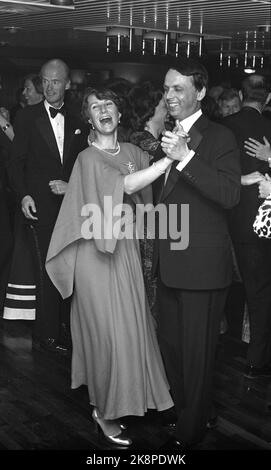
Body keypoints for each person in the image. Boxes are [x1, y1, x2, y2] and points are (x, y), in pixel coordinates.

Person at [45, 87, 174, 447]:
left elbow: (154, 197)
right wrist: (166, 161)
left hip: (125, 251)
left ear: (119, 114)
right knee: (106, 336)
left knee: (132, 328)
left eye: (109, 105)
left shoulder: (133, 152)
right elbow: (124, 185)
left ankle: (132, 398)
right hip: (94, 256)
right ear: (88, 117)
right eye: (94, 106)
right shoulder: (87, 158)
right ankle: (103, 411)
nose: (103, 110)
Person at [152, 59, 240, 448]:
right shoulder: (169, 134)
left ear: (200, 92)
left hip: (203, 268)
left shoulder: (220, 137)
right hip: (170, 265)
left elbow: (228, 195)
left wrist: (187, 158)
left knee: (198, 354)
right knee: (172, 349)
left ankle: (191, 432)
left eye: (178, 89)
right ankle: (193, 410)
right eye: (167, 89)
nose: (170, 96)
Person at [6, 59, 88, 352]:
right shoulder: (27, 117)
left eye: (55, 81)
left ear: (67, 83)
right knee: (45, 267)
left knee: (70, 267)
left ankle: (67, 329)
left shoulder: (80, 118)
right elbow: (15, 164)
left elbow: (85, 165)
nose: (49, 87)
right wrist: (24, 195)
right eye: (45, 81)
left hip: (72, 205)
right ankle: (47, 332)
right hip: (38, 205)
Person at [223, 74, 271, 379]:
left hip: (236, 220)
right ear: (267, 98)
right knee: (261, 289)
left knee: (247, 287)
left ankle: (244, 349)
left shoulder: (226, 128)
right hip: (265, 220)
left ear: (241, 96)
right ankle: (257, 356)